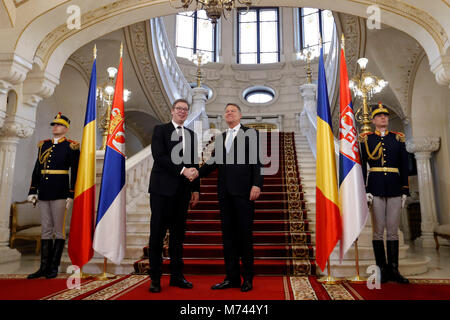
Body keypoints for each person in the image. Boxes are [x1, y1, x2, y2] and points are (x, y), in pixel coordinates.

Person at [193, 103, 263, 292]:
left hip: (244, 192)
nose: (229, 113)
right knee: (228, 238)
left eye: (233, 111)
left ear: (240, 116)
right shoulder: (221, 137)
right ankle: (231, 278)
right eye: (227, 111)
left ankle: (247, 278)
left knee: (245, 237)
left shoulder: (251, 134)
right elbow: (214, 162)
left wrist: (257, 184)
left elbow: (257, 160)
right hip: (224, 193)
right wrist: (196, 173)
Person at [147, 98, 200, 293]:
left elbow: (194, 162)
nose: (182, 112)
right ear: (172, 111)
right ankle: (155, 278)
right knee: (157, 236)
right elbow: (159, 157)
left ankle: (177, 277)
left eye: (185, 110)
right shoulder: (160, 130)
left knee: (178, 236)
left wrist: (196, 189)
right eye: (179, 109)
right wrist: (183, 170)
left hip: (182, 192)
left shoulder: (191, 135)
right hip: (161, 191)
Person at [359, 103, 409, 284]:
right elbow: (363, 166)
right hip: (376, 187)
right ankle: (381, 270)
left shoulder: (398, 139)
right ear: (373, 120)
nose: (383, 118)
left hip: (395, 187)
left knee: (393, 232)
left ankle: (394, 269)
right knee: (378, 232)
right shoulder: (366, 140)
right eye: (379, 116)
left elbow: (404, 165)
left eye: (386, 116)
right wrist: (365, 190)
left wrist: (405, 190)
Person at [27, 113, 80, 279]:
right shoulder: (43, 145)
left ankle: (53, 267)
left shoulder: (71, 146)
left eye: (58, 125)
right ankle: (43, 267)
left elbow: (75, 172)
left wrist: (71, 194)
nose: (54, 127)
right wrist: (33, 190)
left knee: (58, 230)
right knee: (46, 229)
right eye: (53, 124)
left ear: (65, 128)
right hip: (44, 191)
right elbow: (37, 169)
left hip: (60, 192)